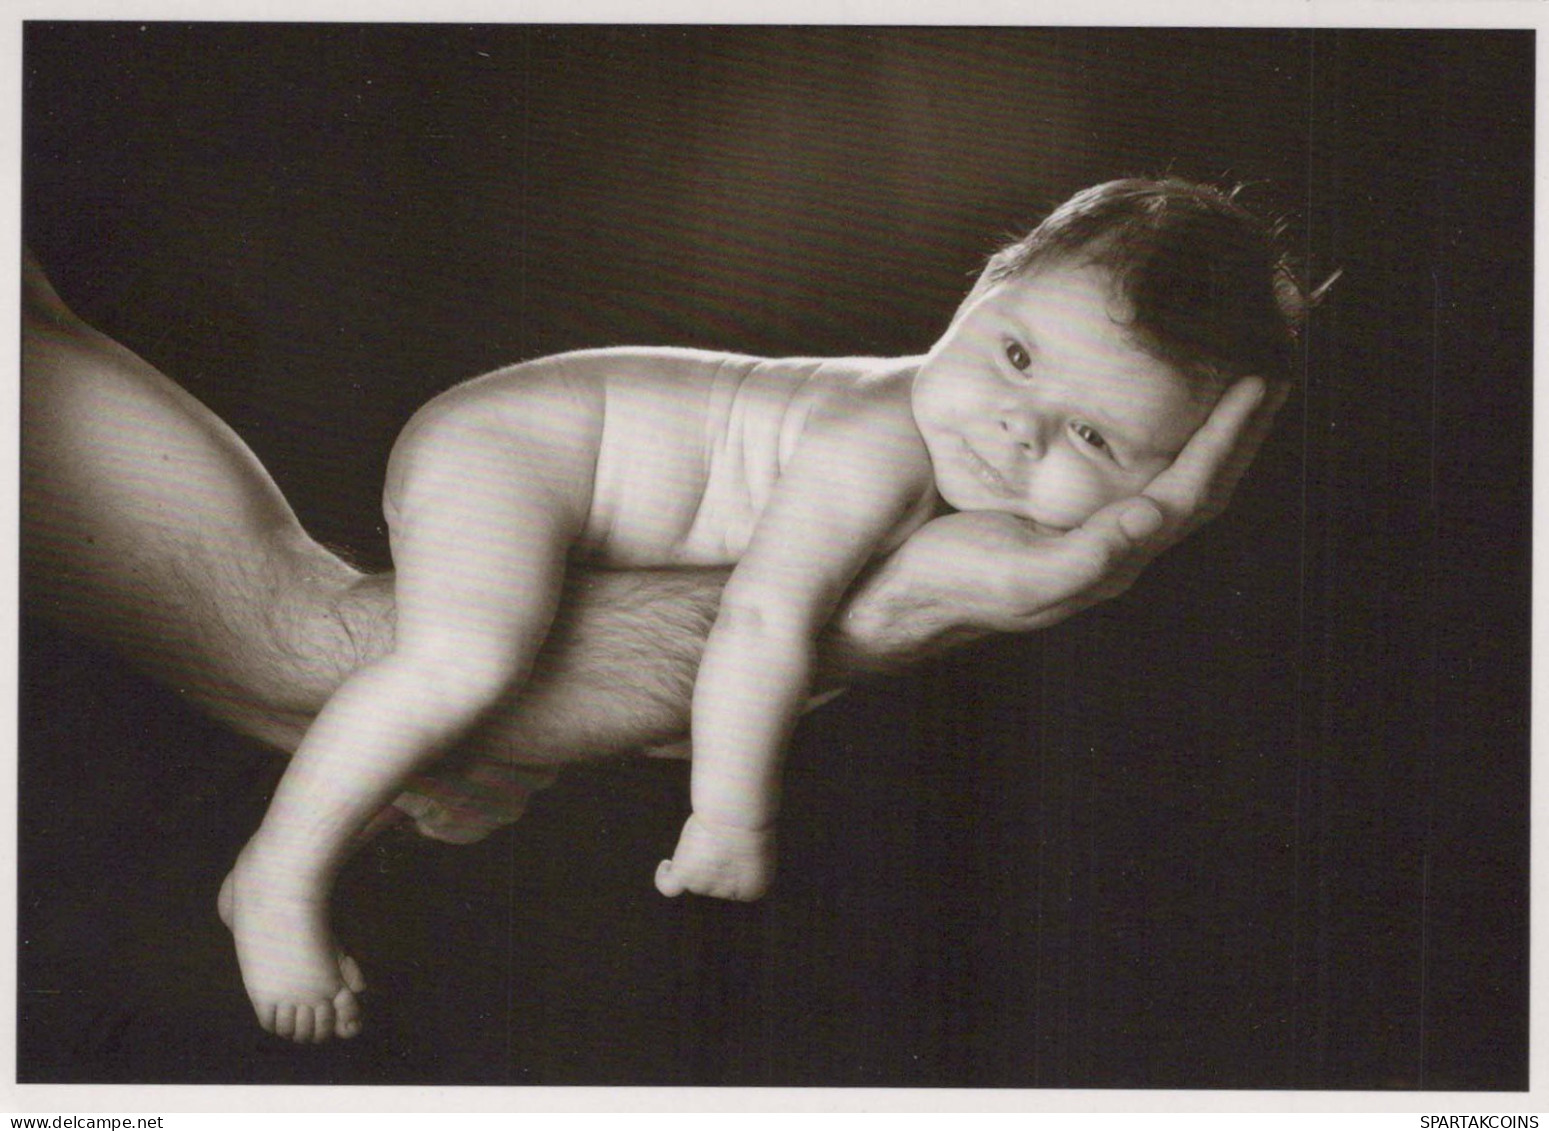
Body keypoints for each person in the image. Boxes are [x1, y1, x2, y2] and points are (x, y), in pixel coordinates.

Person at [19, 179, 1291, 1045]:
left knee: (494, 696)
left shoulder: (961, 462)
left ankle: (419, 781)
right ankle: (278, 878)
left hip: (581, 499)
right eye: (1014, 356)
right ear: (978, 289)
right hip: (513, 450)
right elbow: (755, 625)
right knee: (463, 653)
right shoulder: (875, 445)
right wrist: (731, 815)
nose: (1017, 430)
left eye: (1092, 436)